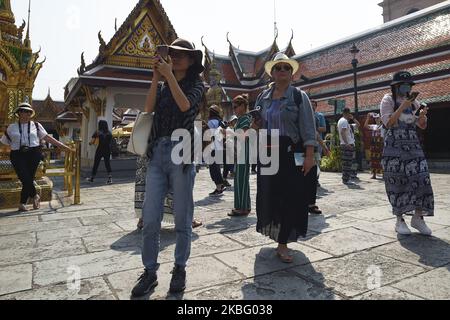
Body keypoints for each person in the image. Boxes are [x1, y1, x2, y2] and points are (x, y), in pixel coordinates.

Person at [131, 38, 205, 297]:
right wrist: (155, 78)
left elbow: (185, 105)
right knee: (150, 218)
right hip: (158, 152)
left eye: (184, 55)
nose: (178, 58)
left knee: (183, 218)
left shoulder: (198, 84)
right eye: (173, 54)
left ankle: (180, 268)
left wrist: (169, 77)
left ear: (193, 59)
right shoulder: (163, 84)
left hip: (182, 152)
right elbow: (148, 110)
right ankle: (150, 272)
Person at [254, 53, 317, 263]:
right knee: (270, 195)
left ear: (292, 73)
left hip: (291, 151)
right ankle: (276, 234)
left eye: (286, 68)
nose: (282, 71)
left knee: (290, 197)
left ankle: (283, 242)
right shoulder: (262, 98)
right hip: (268, 150)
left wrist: (309, 155)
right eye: (278, 68)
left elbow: (308, 127)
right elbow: (260, 126)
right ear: (272, 73)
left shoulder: (299, 97)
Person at [380, 71, 434, 236]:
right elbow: (388, 122)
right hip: (394, 146)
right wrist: (402, 107)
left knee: (422, 177)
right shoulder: (388, 99)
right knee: (398, 181)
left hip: (412, 145)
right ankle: (399, 219)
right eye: (403, 85)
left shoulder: (414, 102)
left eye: (409, 85)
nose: (406, 88)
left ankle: (418, 217)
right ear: (395, 86)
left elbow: (421, 126)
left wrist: (423, 116)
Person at [0, 103, 73, 212]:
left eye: (29, 112)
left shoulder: (36, 125)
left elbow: (47, 138)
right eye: (24, 111)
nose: (26, 114)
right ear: (19, 113)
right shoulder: (11, 127)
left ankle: (22, 203)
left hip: (33, 153)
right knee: (24, 177)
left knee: (28, 178)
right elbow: (4, 142)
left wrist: (62, 146)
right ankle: (35, 196)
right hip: (17, 154)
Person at [228, 94, 252, 217]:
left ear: (243, 106)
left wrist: (229, 133)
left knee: (241, 180)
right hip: (241, 151)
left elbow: (244, 136)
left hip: (244, 152)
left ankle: (241, 208)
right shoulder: (242, 118)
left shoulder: (245, 119)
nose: (234, 110)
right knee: (241, 179)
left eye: (236, 107)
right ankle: (245, 206)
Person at [207, 105, 226, 196]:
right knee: (216, 167)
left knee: (213, 168)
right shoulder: (220, 121)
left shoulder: (211, 122)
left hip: (212, 147)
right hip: (219, 147)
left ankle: (220, 186)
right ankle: (220, 185)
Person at [338, 108, 360, 185]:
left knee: (347, 163)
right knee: (347, 163)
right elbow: (342, 132)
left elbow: (358, 125)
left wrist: (353, 118)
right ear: (347, 113)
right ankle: (346, 180)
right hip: (347, 145)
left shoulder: (345, 122)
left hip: (347, 144)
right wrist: (347, 143)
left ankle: (346, 179)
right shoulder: (344, 121)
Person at [86, 120, 113, 184]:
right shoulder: (109, 133)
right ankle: (110, 178)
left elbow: (92, 141)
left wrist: (90, 143)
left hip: (100, 149)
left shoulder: (97, 132)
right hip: (107, 149)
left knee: (96, 163)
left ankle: (92, 178)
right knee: (107, 164)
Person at [364, 112, 384, 179]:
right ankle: (374, 174)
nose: (376, 120)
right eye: (375, 119)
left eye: (378, 118)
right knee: (373, 160)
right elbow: (365, 126)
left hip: (380, 145)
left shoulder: (383, 126)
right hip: (374, 145)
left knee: (381, 160)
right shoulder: (374, 126)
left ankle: (383, 174)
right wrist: (368, 118)